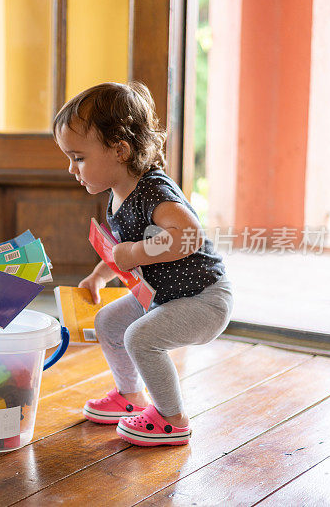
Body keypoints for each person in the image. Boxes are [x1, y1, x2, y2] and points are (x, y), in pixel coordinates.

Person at [53, 82, 233, 446]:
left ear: (119, 150)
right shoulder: (118, 194)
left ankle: (172, 418)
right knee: (109, 321)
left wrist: (134, 253)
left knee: (141, 337)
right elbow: (120, 249)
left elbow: (188, 235)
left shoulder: (154, 190)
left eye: (79, 157)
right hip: (165, 294)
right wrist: (101, 273)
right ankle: (130, 397)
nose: (72, 168)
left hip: (203, 299)